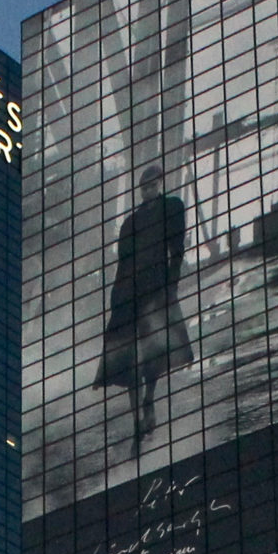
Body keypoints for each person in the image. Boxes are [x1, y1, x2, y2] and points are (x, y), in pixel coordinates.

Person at [94, 162, 191, 445]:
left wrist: (171, 284)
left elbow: (177, 249)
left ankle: (148, 401)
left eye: (151, 185)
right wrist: (117, 297)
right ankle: (138, 413)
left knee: (153, 349)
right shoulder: (130, 223)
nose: (147, 191)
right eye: (144, 187)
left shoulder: (171, 208)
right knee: (127, 354)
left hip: (154, 288)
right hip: (128, 293)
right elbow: (123, 263)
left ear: (159, 184)